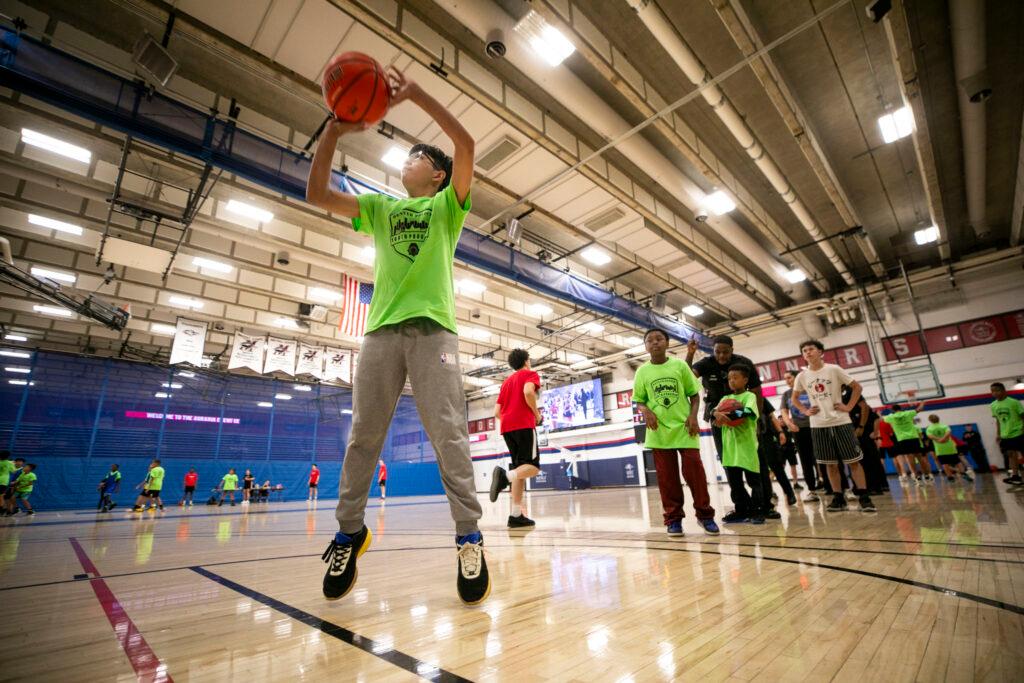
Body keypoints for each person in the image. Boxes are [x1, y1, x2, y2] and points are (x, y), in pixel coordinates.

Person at [306, 66, 488, 605]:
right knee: (364, 434)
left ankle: (469, 536)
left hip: (434, 334)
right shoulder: (380, 208)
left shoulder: (446, 209)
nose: (409, 160)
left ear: (436, 176)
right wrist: (333, 132)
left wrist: (417, 95)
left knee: (449, 435)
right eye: (408, 155)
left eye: (420, 157)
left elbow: (466, 142)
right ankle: (349, 532)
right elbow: (317, 193)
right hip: (382, 332)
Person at [631, 329, 719, 537]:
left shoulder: (679, 365)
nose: (655, 343)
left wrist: (693, 417)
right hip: (659, 432)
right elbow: (639, 400)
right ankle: (673, 519)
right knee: (667, 480)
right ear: (645, 346)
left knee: (695, 475)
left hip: (685, 428)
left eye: (659, 339)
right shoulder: (642, 372)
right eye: (650, 341)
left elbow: (695, 396)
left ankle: (705, 516)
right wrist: (646, 411)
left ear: (667, 343)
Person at [791, 340, 876, 513]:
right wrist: (805, 410)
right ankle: (838, 498)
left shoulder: (834, 369)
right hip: (818, 425)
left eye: (811, 349)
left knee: (853, 461)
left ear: (820, 351)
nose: (808, 352)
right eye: (804, 351)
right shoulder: (802, 376)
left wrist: (849, 407)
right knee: (830, 464)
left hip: (841, 421)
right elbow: (794, 398)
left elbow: (857, 387)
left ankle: (864, 497)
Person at [490, 348, 544, 528]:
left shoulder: (506, 382)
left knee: (520, 471)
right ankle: (504, 476)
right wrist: (536, 415)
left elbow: (496, 412)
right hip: (524, 425)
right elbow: (529, 392)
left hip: (507, 427)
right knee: (533, 468)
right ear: (527, 361)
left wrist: (510, 419)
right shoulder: (530, 374)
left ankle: (515, 515)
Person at [686, 335, 762, 460]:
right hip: (717, 413)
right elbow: (687, 376)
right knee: (726, 456)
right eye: (717, 352)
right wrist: (690, 354)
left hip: (742, 411)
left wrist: (757, 420)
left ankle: (759, 478)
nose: (721, 355)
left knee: (755, 456)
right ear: (713, 350)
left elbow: (757, 391)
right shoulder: (706, 363)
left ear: (732, 350)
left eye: (725, 352)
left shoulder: (744, 363)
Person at [715, 365, 764, 525]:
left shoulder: (749, 396)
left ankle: (757, 511)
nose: (732, 381)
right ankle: (741, 510)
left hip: (746, 446)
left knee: (754, 482)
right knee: (735, 484)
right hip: (729, 448)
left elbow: (748, 412)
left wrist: (727, 415)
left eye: (735, 378)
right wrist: (715, 414)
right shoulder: (724, 399)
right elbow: (715, 414)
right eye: (729, 378)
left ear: (745, 380)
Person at [780, 370, 820, 498]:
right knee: (805, 460)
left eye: (789, 377)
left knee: (820, 457)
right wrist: (789, 424)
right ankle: (812, 490)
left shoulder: (810, 389)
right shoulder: (786, 394)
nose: (787, 380)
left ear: (797, 377)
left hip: (815, 427)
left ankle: (827, 484)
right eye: (785, 378)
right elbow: (784, 411)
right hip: (798, 430)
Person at [758, 397, 796, 513]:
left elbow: (772, 417)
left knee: (777, 468)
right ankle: (766, 498)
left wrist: (780, 432)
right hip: (751, 439)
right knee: (761, 471)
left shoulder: (761, 399)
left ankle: (790, 494)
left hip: (766, 437)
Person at [883, 401, 930, 485]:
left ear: (893, 410)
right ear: (901, 408)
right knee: (919, 457)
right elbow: (920, 409)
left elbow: (882, 419)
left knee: (910, 459)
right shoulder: (908, 413)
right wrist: (923, 402)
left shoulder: (891, 417)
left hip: (902, 439)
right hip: (913, 438)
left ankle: (916, 476)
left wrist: (879, 413)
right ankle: (926, 475)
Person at [849, 394, 888, 495]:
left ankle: (877, 486)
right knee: (859, 462)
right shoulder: (847, 409)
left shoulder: (865, 408)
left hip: (866, 437)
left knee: (871, 461)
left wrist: (875, 433)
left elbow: (876, 419)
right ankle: (862, 486)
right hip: (854, 438)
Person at [990, 382, 1023, 486]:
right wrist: (998, 433)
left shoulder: (1014, 402)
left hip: (1019, 432)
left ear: (1004, 390)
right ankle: (1016, 476)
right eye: (992, 391)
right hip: (1006, 435)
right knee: (1011, 455)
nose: (994, 393)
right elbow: (998, 421)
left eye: (997, 390)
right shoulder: (993, 405)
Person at [926, 415, 971, 483]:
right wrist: (944, 438)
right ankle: (963, 474)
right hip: (950, 447)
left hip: (940, 449)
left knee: (944, 463)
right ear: (938, 419)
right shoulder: (944, 426)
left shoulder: (929, 428)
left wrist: (939, 439)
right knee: (957, 461)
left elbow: (930, 436)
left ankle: (950, 477)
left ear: (930, 421)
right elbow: (949, 432)